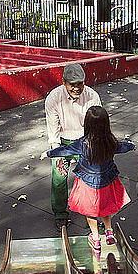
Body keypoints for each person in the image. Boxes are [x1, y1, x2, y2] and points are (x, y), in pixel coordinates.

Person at [40, 106, 135, 250]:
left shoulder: (82, 143)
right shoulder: (110, 142)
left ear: (87, 124)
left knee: (90, 211)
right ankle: (109, 232)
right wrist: (131, 145)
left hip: (88, 183)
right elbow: (123, 147)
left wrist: (49, 153)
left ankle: (95, 237)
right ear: (106, 124)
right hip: (107, 181)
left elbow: (65, 150)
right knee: (105, 207)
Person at [45, 63, 101, 231]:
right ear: (64, 82)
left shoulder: (92, 96)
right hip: (62, 141)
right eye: (72, 84)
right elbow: (53, 129)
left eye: (80, 84)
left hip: (85, 139)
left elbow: (97, 125)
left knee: (91, 176)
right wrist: (58, 154)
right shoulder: (53, 98)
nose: (77, 88)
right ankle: (60, 214)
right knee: (59, 176)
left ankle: (92, 212)